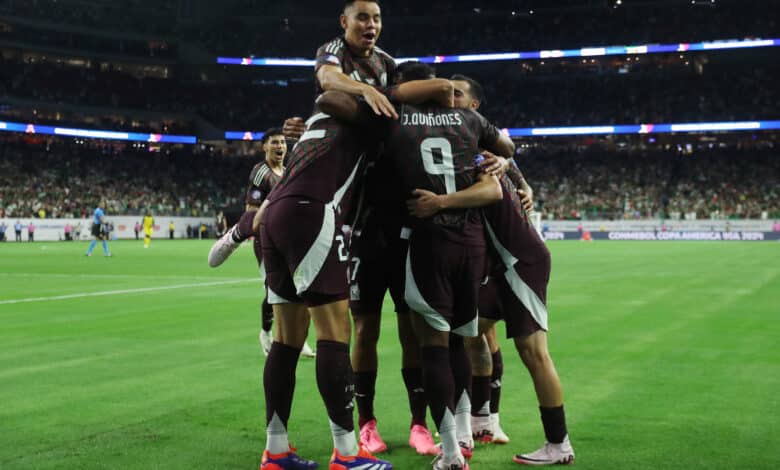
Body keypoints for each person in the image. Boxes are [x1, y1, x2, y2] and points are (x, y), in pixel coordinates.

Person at [318, 61, 515, 470]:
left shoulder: (402, 119)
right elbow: (330, 102)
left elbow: (329, 96)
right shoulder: (399, 118)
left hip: (417, 239)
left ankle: (423, 426)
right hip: (376, 240)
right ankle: (372, 423)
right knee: (371, 331)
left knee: (423, 336)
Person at [209, 128, 315, 359]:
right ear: (264, 147)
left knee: (298, 289)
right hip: (267, 241)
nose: (280, 146)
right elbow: (251, 211)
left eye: (282, 143)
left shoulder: (288, 172)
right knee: (273, 290)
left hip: (291, 240)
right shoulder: (261, 172)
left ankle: (299, 338)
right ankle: (266, 334)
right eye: (274, 142)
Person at [451, 73, 512, 445]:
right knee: (479, 336)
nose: (448, 98)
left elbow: (507, 164)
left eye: (456, 94)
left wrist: (515, 176)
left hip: (485, 252)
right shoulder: (451, 136)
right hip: (469, 247)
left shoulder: (480, 144)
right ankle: (483, 420)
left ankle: (483, 420)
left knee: (474, 334)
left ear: (474, 106)